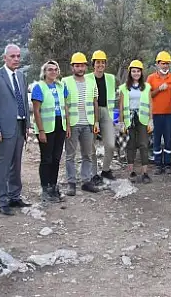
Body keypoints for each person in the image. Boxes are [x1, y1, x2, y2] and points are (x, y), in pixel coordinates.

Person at [0, 44, 32, 216]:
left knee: (17, 163)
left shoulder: (21, 76)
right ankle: (2, 200)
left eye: (18, 56)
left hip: (19, 126)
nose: (16, 59)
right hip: (4, 129)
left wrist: (27, 124)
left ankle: (15, 196)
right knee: (3, 165)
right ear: (5, 58)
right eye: (12, 56)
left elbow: (24, 102)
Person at [62, 53, 100, 195]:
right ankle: (71, 183)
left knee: (87, 154)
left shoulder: (91, 81)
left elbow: (95, 101)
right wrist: (66, 124)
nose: (80, 68)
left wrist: (96, 121)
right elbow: (64, 103)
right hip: (72, 123)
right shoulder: (65, 82)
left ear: (85, 66)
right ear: (72, 67)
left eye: (82, 65)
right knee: (70, 155)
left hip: (88, 123)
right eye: (77, 65)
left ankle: (86, 181)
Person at [31, 61, 69, 203]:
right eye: (50, 70)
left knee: (56, 158)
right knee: (46, 159)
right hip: (46, 127)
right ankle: (45, 188)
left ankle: (53, 186)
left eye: (55, 69)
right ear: (44, 72)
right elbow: (36, 110)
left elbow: (65, 107)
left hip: (60, 125)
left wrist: (68, 126)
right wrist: (41, 131)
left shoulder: (61, 86)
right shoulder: (39, 87)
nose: (53, 72)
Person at [118, 60, 153, 184]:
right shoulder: (123, 88)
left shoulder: (147, 87)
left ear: (141, 72)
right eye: (133, 71)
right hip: (129, 119)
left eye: (138, 71)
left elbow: (150, 103)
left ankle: (145, 172)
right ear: (130, 72)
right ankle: (131, 171)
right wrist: (121, 123)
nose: (136, 73)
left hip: (142, 119)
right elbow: (121, 106)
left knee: (144, 144)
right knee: (130, 145)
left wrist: (150, 120)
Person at [88, 50, 118, 182]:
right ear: (93, 64)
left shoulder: (111, 78)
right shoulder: (87, 78)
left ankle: (105, 170)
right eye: (97, 62)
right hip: (91, 113)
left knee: (110, 145)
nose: (100, 65)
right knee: (90, 145)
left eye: (102, 62)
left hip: (106, 112)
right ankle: (93, 173)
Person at [147, 51, 171, 174]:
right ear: (157, 64)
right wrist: (159, 89)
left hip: (169, 114)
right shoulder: (151, 78)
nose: (165, 66)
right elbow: (148, 95)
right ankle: (158, 165)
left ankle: (168, 164)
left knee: (169, 138)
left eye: (167, 64)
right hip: (155, 114)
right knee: (156, 139)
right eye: (163, 63)